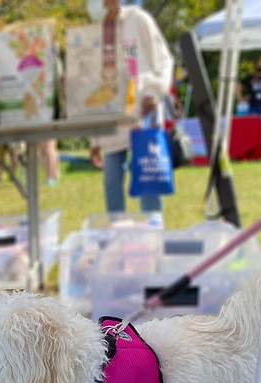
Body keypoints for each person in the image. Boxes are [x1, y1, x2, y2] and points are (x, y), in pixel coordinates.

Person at [87, 0, 174, 225]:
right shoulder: (94, 34)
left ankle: (154, 231)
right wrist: (94, 138)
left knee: (148, 178)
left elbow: (164, 61)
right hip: (111, 119)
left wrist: (154, 92)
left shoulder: (138, 20)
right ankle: (118, 233)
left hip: (143, 113)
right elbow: (92, 87)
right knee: (112, 181)